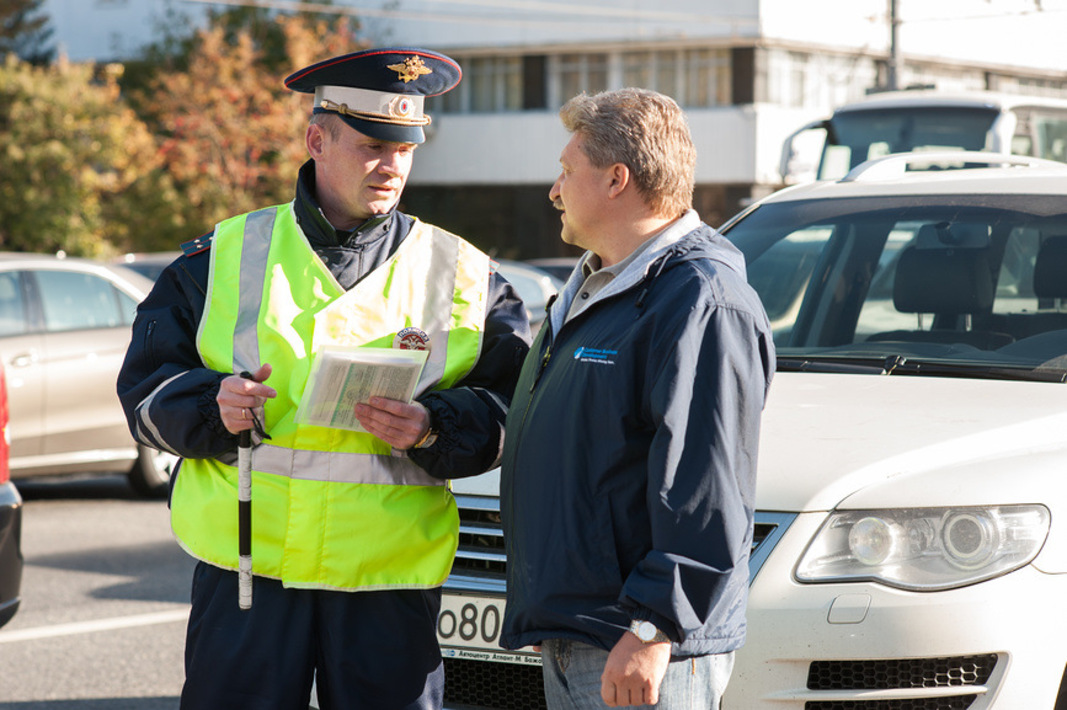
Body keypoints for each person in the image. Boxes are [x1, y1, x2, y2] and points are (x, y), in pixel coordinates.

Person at [117, 47, 531, 710]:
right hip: (250, 573)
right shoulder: (220, 257)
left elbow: (516, 412)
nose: (392, 166)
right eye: (372, 147)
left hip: (386, 579)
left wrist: (434, 428)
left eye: (404, 149)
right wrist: (208, 406)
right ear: (317, 140)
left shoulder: (466, 275)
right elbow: (144, 392)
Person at [498, 87, 775, 709]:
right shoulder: (597, 287)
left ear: (617, 178)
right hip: (585, 634)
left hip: (643, 644)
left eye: (567, 171)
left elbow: (709, 487)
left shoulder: (701, 301)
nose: (554, 189)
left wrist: (654, 626)